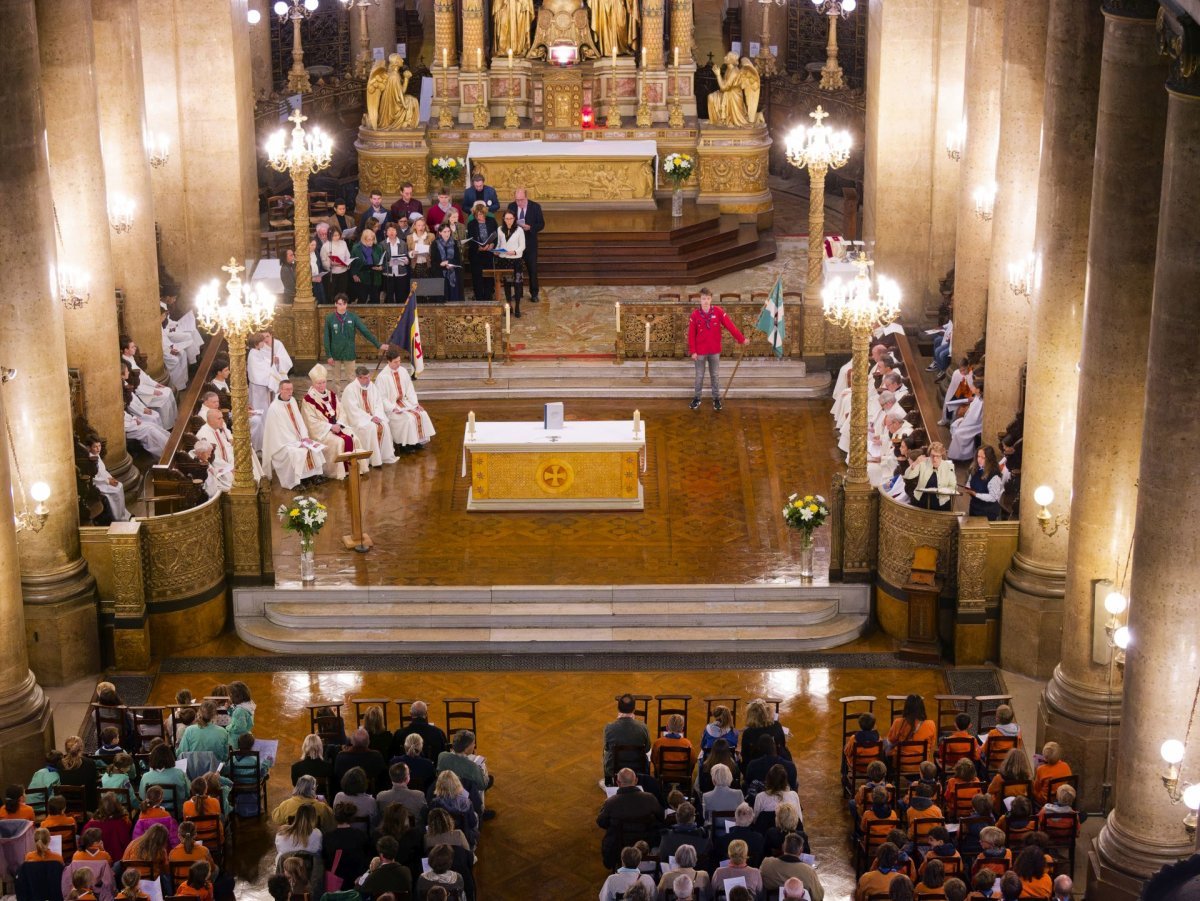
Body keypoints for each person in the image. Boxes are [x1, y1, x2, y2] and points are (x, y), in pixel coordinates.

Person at [301, 363, 365, 481]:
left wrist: (339, 424)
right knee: (339, 442)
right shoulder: (308, 400)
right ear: (313, 383)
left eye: (323, 382)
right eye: (318, 383)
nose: (321, 386)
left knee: (353, 438)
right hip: (322, 433)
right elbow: (311, 422)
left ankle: (355, 469)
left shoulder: (331, 394)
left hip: (338, 426)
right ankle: (338, 472)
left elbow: (342, 412)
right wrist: (330, 427)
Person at [687, 287, 748, 411]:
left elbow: (730, 326)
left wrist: (741, 339)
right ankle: (697, 398)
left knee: (715, 375)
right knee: (699, 376)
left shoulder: (718, 312)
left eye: (708, 298)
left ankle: (716, 399)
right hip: (700, 352)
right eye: (703, 299)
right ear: (700, 299)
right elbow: (691, 335)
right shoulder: (695, 315)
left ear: (711, 299)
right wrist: (693, 351)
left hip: (714, 350)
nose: (706, 301)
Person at [261, 380, 327, 489]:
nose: (290, 392)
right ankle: (295, 482)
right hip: (282, 444)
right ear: (280, 390)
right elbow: (280, 433)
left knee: (313, 448)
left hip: (298, 439)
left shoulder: (292, 401)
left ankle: (312, 476)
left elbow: (299, 421)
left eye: (291, 389)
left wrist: (305, 437)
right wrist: (297, 443)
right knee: (297, 452)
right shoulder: (274, 408)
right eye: (287, 389)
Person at [596, 768, 663, 869]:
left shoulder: (611, 802)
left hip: (619, 843)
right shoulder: (650, 798)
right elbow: (661, 816)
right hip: (645, 841)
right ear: (636, 781)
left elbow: (601, 822)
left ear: (618, 782)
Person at [323, 294, 388, 391]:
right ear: (335, 304)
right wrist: (329, 355)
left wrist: (378, 344)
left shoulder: (352, 317)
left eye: (344, 304)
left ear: (347, 304)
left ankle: (351, 399)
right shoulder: (330, 318)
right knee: (335, 380)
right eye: (340, 304)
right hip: (335, 353)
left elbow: (365, 331)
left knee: (351, 379)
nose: (342, 307)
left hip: (349, 352)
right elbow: (326, 338)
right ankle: (336, 401)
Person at [376, 348, 435, 451]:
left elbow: (410, 390)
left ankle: (416, 441)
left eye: (399, 361)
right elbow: (382, 397)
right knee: (408, 418)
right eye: (395, 362)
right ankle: (405, 445)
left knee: (421, 413)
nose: (398, 364)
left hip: (404, 402)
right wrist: (392, 408)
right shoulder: (382, 377)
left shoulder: (402, 371)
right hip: (392, 406)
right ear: (388, 361)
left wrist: (415, 404)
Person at [339, 366, 395, 468]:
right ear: (359, 378)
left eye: (369, 377)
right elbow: (353, 410)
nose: (368, 380)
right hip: (358, 421)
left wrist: (377, 416)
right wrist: (370, 418)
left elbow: (378, 403)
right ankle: (372, 460)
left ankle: (383, 457)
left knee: (384, 425)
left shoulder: (372, 386)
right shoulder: (350, 389)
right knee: (371, 428)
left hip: (374, 417)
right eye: (365, 378)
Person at [120, 338, 178, 428]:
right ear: (126, 350)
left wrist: (155, 384)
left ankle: (174, 420)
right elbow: (135, 386)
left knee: (168, 390)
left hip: (145, 386)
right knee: (164, 396)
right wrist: (152, 392)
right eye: (132, 347)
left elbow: (142, 375)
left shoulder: (131, 358)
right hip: (141, 392)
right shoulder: (126, 364)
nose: (135, 348)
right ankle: (167, 425)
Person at [323, 801, 373, 889]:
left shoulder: (327, 837)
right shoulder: (361, 836)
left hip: (336, 882)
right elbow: (368, 858)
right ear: (352, 818)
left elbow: (325, 860)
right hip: (356, 882)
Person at [507, 188, 545, 301]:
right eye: (517, 200)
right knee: (517, 270)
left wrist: (531, 228)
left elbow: (541, 224)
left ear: (526, 197)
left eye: (521, 200)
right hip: (516, 244)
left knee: (532, 269)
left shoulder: (535, 206)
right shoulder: (512, 206)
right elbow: (507, 221)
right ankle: (518, 292)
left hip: (530, 243)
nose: (519, 202)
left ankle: (534, 294)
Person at [761, 832, 824, 900]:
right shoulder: (809, 872)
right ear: (801, 850)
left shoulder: (767, 864)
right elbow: (818, 896)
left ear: (783, 847)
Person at [602, 694, 651, 780]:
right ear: (634, 709)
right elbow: (647, 748)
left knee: (605, 751)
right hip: (638, 766)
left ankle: (608, 781)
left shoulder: (609, 728)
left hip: (615, 767)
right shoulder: (643, 727)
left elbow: (607, 747)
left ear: (618, 708)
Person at [85, 439, 130, 522]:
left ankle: (123, 514)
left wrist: (110, 478)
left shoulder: (96, 455)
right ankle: (117, 517)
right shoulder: (91, 459)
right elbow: (95, 477)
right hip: (97, 484)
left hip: (104, 480)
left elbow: (103, 470)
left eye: (99, 446)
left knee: (119, 486)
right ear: (89, 448)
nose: (98, 449)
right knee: (115, 491)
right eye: (95, 447)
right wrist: (108, 481)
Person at [271, 775, 335, 832]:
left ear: (297, 787)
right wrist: (326, 805)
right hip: (315, 841)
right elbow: (331, 825)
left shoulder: (286, 805)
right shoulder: (322, 807)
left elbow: (276, 819)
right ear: (314, 789)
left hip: (293, 840)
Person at [905, 442, 958, 510]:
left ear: (941, 456)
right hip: (921, 500)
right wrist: (916, 463)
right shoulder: (923, 463)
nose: (934, 459)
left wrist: (943, 490)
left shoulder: (948, 466)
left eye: (937, 456)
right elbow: (908, 476)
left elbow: (953, 486)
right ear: (929, 455)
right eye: (932, 456)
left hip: (941, 503)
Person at [334, 732, 387, 799]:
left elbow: (337, 773)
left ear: (352, 742)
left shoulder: (341, 756)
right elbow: (382, 774)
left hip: (346, 793)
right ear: (368, 742)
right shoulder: (376, 756)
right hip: (371, 794)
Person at [494, 209, 526, 315]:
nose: (509, 221)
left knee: (517, 284)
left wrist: (515, 252)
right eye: (507, 219)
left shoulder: (519, 230)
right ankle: (509, 306)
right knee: (507, 285)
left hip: (516, 260)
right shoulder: (499, 229)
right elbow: (499, 244)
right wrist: (497, 251)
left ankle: (517, 307)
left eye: (511, 218)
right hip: (504, 260)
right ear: (503, 219)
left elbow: (522, 246)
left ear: (514, 219)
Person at [741, 698, 789, 769]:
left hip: (756, 768)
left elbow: (745, 755)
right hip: (778, 766)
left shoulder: (748, 733)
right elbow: (782, 744)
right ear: (768, 713)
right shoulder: (777, 725)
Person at [466, 202, 498, 300]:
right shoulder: (471, 224)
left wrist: (492, 244)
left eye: (481, 214)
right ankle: (479, 296)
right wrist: (478, 247)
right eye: (477, 214)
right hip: (476, 254)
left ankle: (488, 296)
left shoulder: (492, 221)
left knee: (488, 275)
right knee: (477, 276)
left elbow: (496, 235)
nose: (479, 216)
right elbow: (470, 239)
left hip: (489, 253)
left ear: (485, 213)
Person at [963, 446, 1004, 520]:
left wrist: (976, 494)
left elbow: (993, 497)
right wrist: (968, 487)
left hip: (987, 512)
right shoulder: (975, 469)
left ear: (989, 459)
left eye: (983, 458)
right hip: (974, 508)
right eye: (978, 456)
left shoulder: (994, 475)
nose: (979, 460)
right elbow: (969, 481)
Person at [949, 378, 985, 462]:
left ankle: (961, 456)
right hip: (969, 421)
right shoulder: (977, 397)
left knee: (959, 433)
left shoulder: (982, 402)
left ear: (979, 390)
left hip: (976, 425)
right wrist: (963, 420)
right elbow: (970, 412)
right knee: (955, 424)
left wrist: (963, 423)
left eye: (974, 387)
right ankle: (956, 453)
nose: (972, 388)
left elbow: (975, 418)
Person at [379, 224, 411, 304]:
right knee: (388, 297)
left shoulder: (403, 243)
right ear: (386, 232)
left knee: (401, 296)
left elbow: (406, 256)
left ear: (397, 232)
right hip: (388, 273)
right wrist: (387, 263)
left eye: (393, 230)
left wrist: (407, 261)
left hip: (401, 273)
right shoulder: (382, 244)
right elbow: (381, 260)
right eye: (389, 230)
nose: (391, 232)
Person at [431, 222, 464, 301]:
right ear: (440, 233)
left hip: (452, 271)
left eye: (448, 231)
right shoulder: (435, 243)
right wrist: (441, 264)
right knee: (442, 297)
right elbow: (434, 260)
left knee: (454, 296)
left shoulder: (455, 243)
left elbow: (458, 259)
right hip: (440, 272)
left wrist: (449, 262)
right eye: (445, 232)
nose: (447, 234)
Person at [350, 227, 384, 304]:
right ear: (363, 239)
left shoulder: (378, 247)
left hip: (375, 276)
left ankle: (374, 315)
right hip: (362, 277)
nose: (371, 242)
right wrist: (354, 274)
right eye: (369, 240)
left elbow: (383, 261)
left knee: (375, 299)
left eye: (372, 239)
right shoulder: (356, 248)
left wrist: (381, 267)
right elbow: (352, 263)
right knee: (362, 298)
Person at [1033, 742, 1071, 807]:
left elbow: (1036, 788)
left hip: (1046, 801)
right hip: (1062, 798)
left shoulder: (1041, 769)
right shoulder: (1066, 766)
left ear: (1045, 757)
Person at [321, 227, 353, 301]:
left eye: (338, 235)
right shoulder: (325, 246)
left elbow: (348, 256)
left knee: (343, 292)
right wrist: (331, 264)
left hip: (343, 272)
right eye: (334, 235)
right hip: (333, 274)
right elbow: (323, 261)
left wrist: (346, 263)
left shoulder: (343, 243)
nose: (337, 237)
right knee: (332, 293)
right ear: (330, 235)